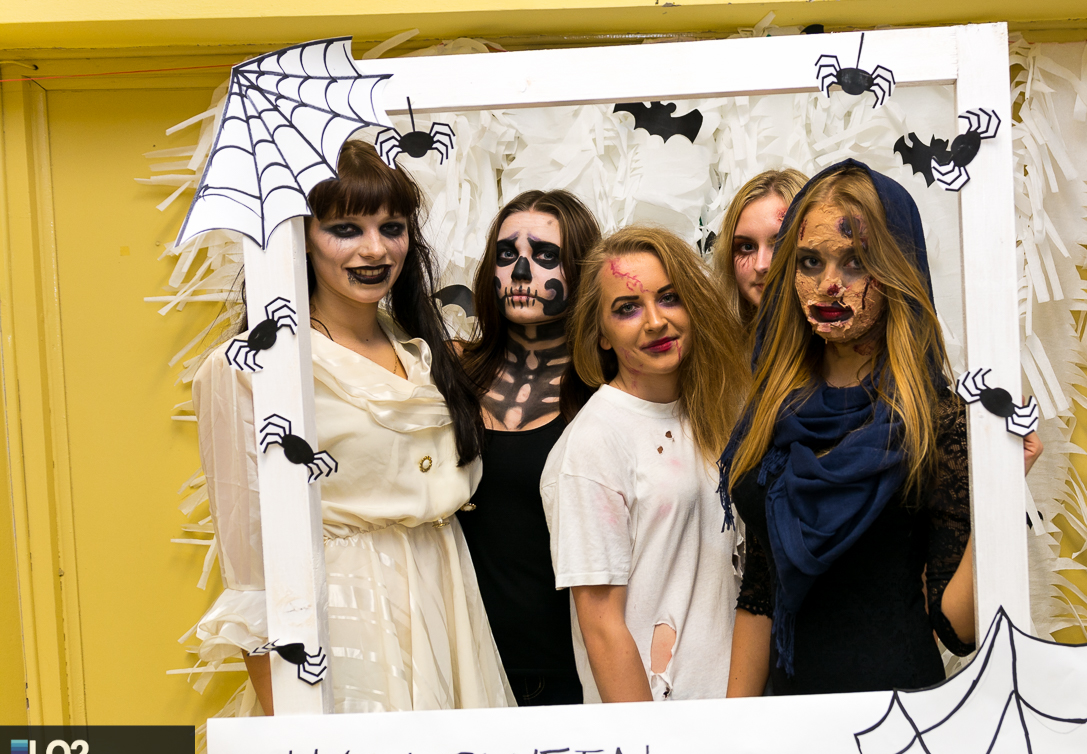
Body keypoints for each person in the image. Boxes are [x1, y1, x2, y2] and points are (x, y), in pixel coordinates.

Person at [192, 139, 513, 714]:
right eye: (345, 229)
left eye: (392, 227)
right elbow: (251, 573)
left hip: (450, 604)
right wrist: (295, 734)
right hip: (346, 618)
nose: (375, 249)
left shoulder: (425, 351)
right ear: (299, 234)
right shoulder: (252, 368)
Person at [720, 159, 1042, 697]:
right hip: (790, 720)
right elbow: (760, 593)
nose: (829, 284)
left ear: (896, 272)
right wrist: (735, 729)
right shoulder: (772, 407)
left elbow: (958, 629)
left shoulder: (936, 418)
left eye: (855, 262)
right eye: (810, 261)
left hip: (896, 718)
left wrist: (1002, 488)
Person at [541, 225, 749, 702]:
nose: (655, 321)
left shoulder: (714, 412)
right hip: (659, 725)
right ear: (601, 335)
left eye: (669, 298)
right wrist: (648, 741)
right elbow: (602, 628)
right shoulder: (593, 443)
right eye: (627, 308)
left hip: (734, 711)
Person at [458, 190, 601, 706]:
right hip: (466, 666)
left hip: (575, 670)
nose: (520, 272)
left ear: (581, 270)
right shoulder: (449, 378)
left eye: (544, 255)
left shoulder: (607, 390)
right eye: (506, 254)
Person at [712, 169, 808, 324]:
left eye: (781, 244)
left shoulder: (842, 337)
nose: (761, 265)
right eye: (747, 247)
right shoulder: (720, 336)